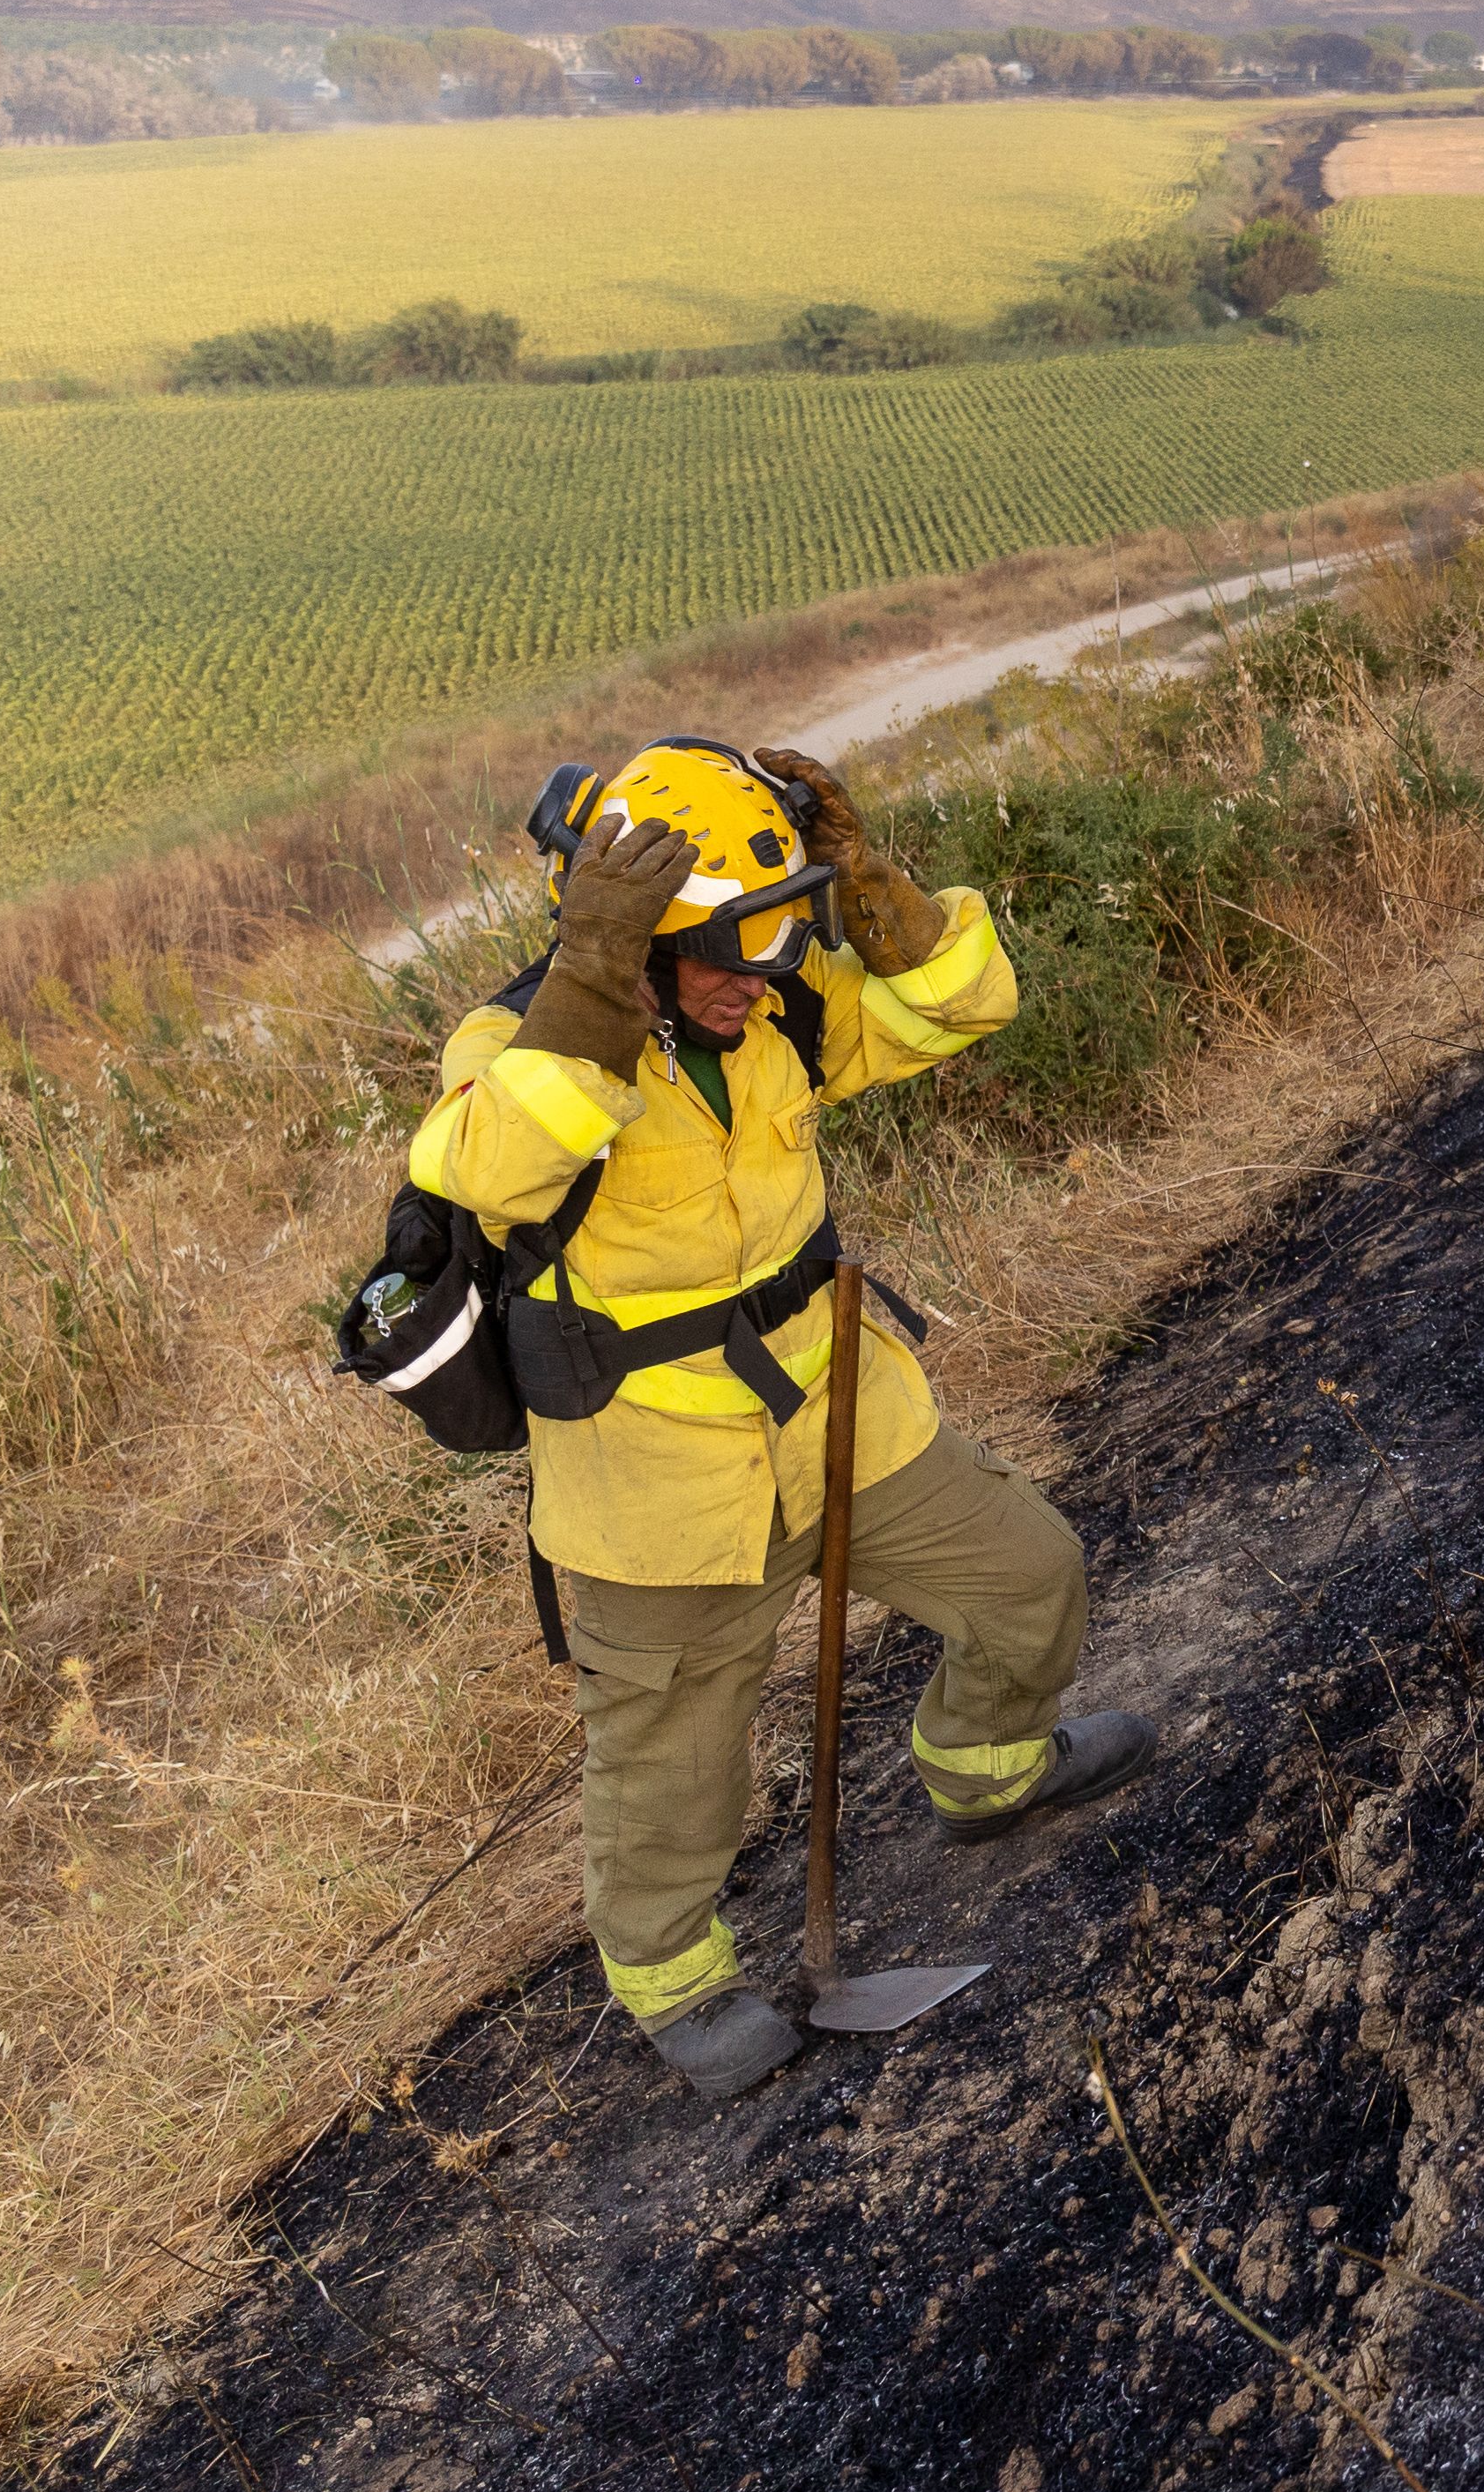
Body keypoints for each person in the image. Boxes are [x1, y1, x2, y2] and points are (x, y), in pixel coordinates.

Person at [406, 737, 1156, 2098]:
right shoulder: (516, 1046)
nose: (760, 977)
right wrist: (592, 980)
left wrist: (878, 897)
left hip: (838, 1413)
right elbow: (497, 1169)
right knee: (673, 1770)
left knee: (1030, 1576)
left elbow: (963, 1006)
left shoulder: (777, 1016)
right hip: (656, 1483)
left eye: (780, 936)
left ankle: (987, 1769)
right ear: (636, 941)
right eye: (727, 951)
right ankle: (676, 1984)